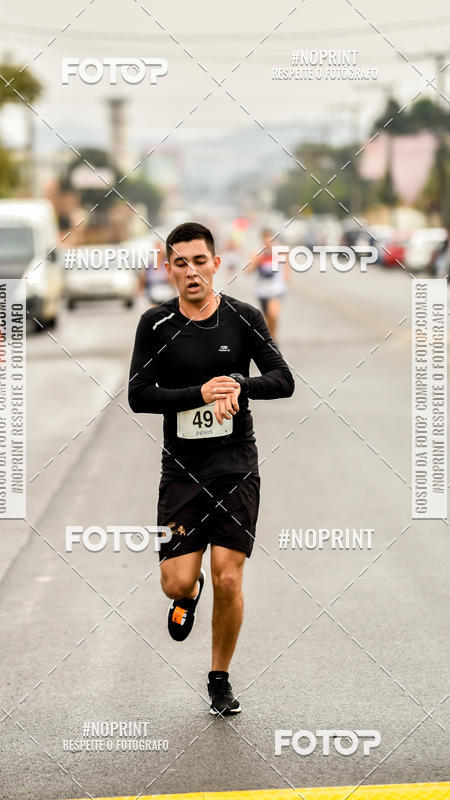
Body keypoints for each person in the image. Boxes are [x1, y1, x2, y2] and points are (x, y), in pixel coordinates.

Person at [128, 222, 294, 716]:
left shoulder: (243, 318)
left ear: (216, 265)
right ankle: (188, 592)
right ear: (169, 269)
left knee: (229, 576)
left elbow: (283, 380)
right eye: (181, 262)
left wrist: (238, 385)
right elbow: (139, 396)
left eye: (200, 261)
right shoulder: (154, 325)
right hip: (182, 471)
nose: (192, 271)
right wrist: (198, 394)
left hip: (235, 465)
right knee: (177, 582)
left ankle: (219, 677)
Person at [247, 229, 289, 341]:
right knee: (267, 318)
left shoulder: (281, 252)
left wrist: (286, 276)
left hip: (277, 289)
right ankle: (271, 338)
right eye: (265, 239)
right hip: (262, 291)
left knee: (273, 313)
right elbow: (248, 271)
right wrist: (257, 261)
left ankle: (273, 339)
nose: (268, 242)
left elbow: (287, 268)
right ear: (262, 240)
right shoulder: (257, 253)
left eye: (270, 239)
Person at [139, 236, 175, 306]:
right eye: (155, 249)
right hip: (152, 295)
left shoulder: (167, 263)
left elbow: (172, 281)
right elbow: (143, 280)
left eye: (159, 249)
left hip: (166, 295)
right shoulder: (150, 265)